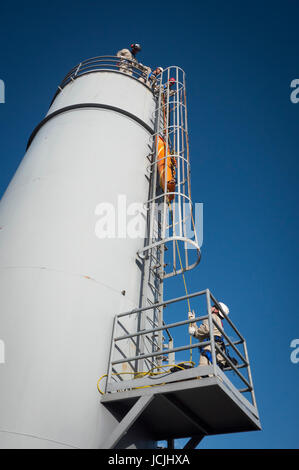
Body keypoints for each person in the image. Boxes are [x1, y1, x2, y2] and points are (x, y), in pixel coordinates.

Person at [188, 302, 229, 369]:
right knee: (211, 372)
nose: (211, 307)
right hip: (217, 352)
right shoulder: (218, 322)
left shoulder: (212, 316)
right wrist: (193, 322)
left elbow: (205, 329)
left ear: (216, 310)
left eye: (213, 306)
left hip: (209, 349)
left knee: (203, 370)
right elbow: (202, 335)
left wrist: (195, 332)